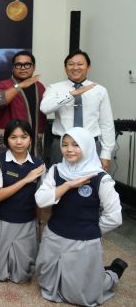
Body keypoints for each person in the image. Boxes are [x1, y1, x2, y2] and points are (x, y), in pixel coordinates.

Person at [35, 127, 126, 306]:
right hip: (54, 236)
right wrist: (68, 185)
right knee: (46, 284)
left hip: (84, 242)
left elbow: (115, 217)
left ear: (87, 146)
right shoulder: (56, 170)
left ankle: (112, 273)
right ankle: (95, 273)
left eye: (76, 145)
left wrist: (90, 231)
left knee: (82, 295)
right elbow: (41, 200)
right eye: (65, 145)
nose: (69, 150)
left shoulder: (101, 178)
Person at [0, 119, 45, 283]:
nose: (19, 142)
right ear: (7, 140)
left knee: (22, 276)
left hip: (26, 222)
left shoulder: (39, 165)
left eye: (24, 137)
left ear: (31, 139)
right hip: (1, 220)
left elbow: (40, 199)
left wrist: (39, 223)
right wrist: (25, 179)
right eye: (13, 137)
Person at [40, 50, 115, 170]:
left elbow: (106, 123)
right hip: (62, 145)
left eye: (80, 64)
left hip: (91, 145)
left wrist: (106, 153)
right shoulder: (54, 88)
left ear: (88, 67)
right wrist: (72, 95)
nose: (75, 67)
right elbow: (45, 108)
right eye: (71, 64)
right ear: (65, 68)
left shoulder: (100, 90)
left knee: (90, 185)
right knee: (59, 184)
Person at [0, 51, 46, 157]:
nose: (23, 68)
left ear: (34, 67)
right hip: (3, 148)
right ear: (12, 68)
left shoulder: (40, 87)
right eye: (18, 65)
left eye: (27, 64)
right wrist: (19, 86)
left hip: (32, 148)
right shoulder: (3, 85)